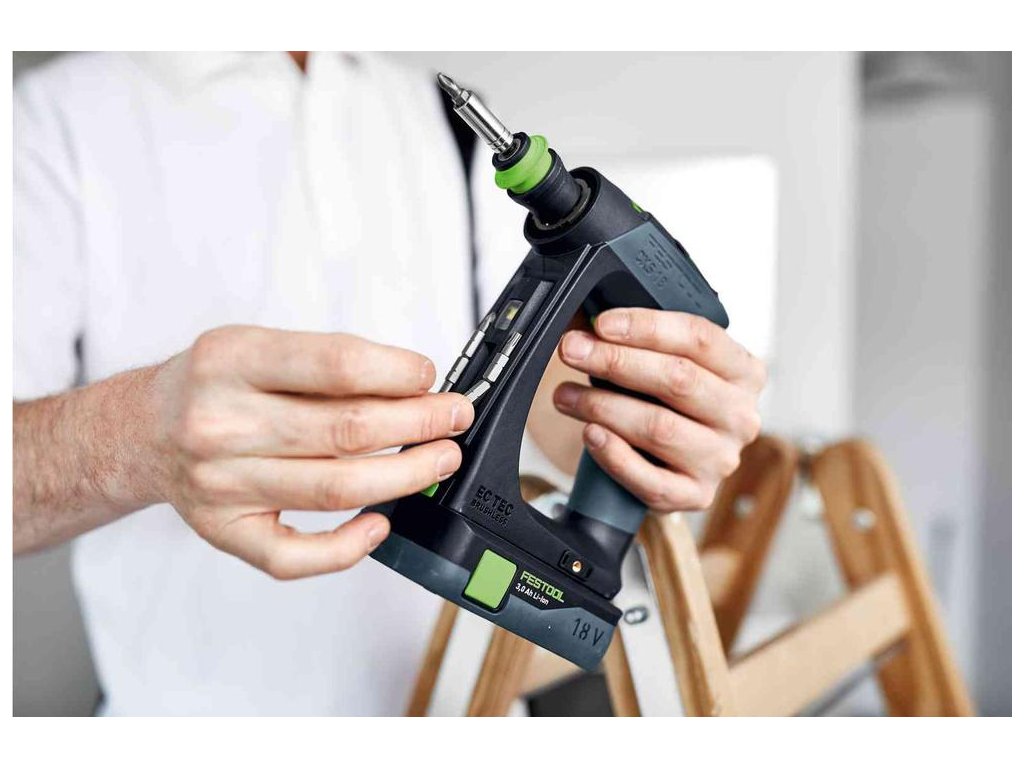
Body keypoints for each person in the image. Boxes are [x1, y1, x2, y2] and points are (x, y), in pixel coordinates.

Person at [13, 52, 766, 715]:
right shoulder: (47, 119)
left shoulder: (440, 115)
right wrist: (132, 438)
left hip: (466, 713)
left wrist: (670, 422)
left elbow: (562, 408)